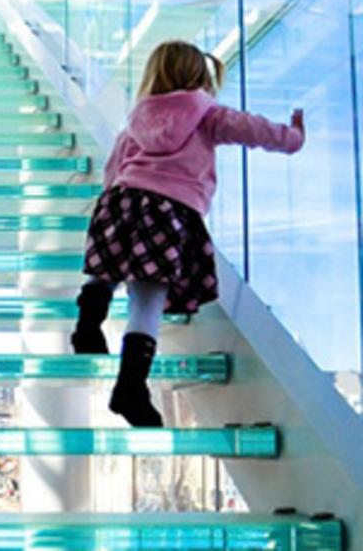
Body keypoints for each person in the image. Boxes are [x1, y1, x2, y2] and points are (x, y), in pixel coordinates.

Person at [71, 40, 305, 427]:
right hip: (170, 212)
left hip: (122, 200)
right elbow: (251, 129)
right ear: (199, 75)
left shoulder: (136, 120)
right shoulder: (206, 113)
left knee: (109, 266)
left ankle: (87, 324)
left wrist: (111, 211)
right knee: (147, 302)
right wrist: (292, 137)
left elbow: (113, 169)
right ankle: (130, 387)